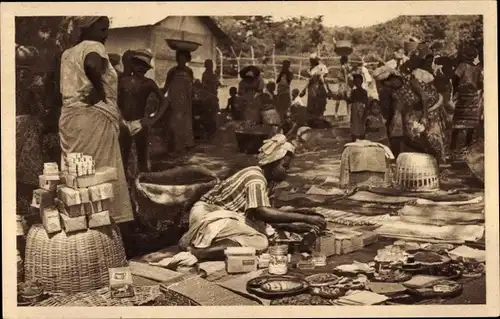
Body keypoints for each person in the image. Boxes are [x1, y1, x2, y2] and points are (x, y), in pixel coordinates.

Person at [178, 134, 326, 261]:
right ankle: (200, 252)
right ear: (272, 163)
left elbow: (257, 215)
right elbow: (262, 212)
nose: (287, 170)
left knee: (263, 233)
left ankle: (207, 243)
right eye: (285, 166)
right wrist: (306, 218)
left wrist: (289, 225)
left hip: (223, 216)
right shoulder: (255, 178)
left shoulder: (265, 180)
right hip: (208, 215)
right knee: (260, 242)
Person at [59, 16, 136, 224]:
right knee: (100, 174)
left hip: (70, 119)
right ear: (87, 29)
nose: (106, 35)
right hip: (93, 117)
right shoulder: (94, 46)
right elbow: (92, 65)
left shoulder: (67, 54)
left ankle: (76, 222)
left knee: (76, 173)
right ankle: (105, 223)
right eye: (102, 30)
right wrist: (100, 90)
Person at [374, 64, 448, 164]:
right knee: (410, 137)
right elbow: (405, 107)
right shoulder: (394, 91)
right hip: (417, 111)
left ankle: (440, 160)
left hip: (430, 108)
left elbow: (424, 97)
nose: (389, 85)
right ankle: (429, 155)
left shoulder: (411, 80)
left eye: (389, 82)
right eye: (386, 84)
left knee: (432, 137)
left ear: (394, 78)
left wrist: (424, 117)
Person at [118, 49, 164, 175]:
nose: (141, 68)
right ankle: (126, 188)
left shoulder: (149, 83)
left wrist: (152, 119)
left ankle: (144, 185)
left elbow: (164, 102)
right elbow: (114, 99)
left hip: (140, 124)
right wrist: (119, 118)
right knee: (123, 158)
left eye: (144, 66)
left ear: (148, 69)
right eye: (138, 64)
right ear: (132, 64)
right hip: (124, 124)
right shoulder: (122, 81)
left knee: (142, 158)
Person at [450, 46, 483, 153]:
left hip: (463, 96)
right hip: (473, 97)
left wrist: (455, 91)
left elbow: (455, 79)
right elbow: (480, 84)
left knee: (458, 122)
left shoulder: (462, 66)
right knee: (470, 124)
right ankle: (467, 147)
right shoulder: (478, 68)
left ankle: (453, 147)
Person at [162, 50, 195, 154]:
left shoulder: (189, 71)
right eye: (179, 58)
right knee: (174, 123)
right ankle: (175, 147)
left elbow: (191, 87)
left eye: (183, 58)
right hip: (175, 100)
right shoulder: (172, 71)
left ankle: (185, 146)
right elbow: (166, 86)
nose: (181, 60)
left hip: (185, 100)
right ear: (177, 59)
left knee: (185, 123)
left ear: (187, 59)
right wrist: (161, 97)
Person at [300, 53, 332, 121]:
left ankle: (317, 119)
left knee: (318, 103)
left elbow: (322, 79)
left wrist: (327, 89)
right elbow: (312, 80)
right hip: (314, 88)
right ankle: (315, 119)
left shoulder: (320, 67)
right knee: (315, 104)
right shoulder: (313, 68)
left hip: (317, 88)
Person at [201, 59, 220, 139]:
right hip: (208, 97)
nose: (211, 67)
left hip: (213, 97)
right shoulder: (206, 75)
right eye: (209, 65)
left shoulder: (213, 75)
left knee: (213, 114)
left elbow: (217, 84)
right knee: (209, 114)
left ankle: (212, 131)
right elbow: (204, 85)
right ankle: (209, 132)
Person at [347, 74, 369, 141]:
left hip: (361, 108)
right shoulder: (353, 91)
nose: (357, 83)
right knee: (355, 124)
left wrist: (366, 110)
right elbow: (351, 101)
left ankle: (361, 138)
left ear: (362, 81)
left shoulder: (364, 91)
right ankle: (355, 138)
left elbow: (366, 101)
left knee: (361, 124)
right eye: (356, 82)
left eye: (359, 81)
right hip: (355, 109)